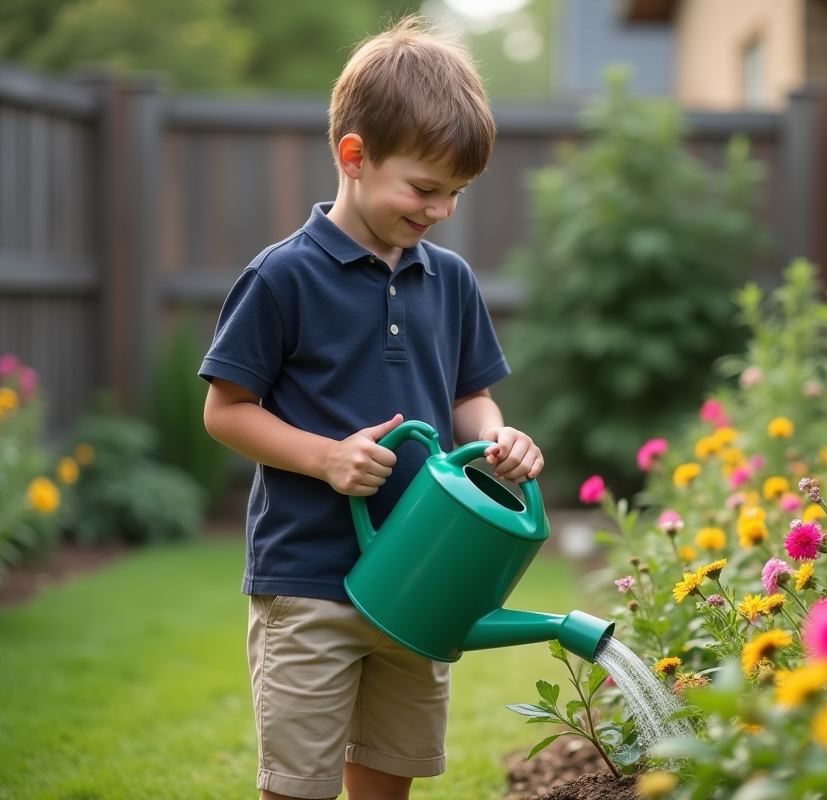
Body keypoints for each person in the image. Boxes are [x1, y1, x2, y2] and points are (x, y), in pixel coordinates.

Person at [199, 15, 543, 800]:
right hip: (308, 576)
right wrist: (324, 456)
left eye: (456, 193)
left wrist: (499, 440)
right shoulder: (282, 277)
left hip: (424, 578)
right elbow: (226, 410)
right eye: (425, 189)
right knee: (299, 787)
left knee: (389, 781)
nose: (441, 209)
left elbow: (471, 397)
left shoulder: (449, 281)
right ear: (354, 156)